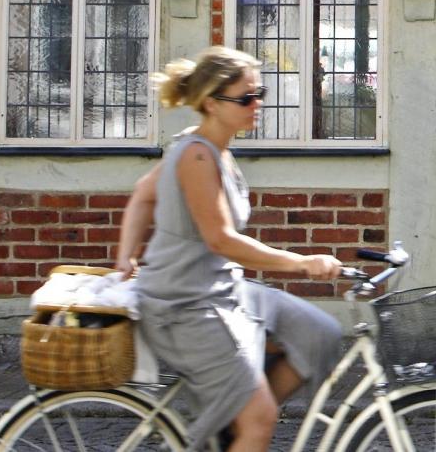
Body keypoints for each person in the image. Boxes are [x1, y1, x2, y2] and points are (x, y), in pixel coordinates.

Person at [113, 47, 344, 452]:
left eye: (260, 94)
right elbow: (220, 239)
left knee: (318, 334)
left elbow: (142, 193)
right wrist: (302, 263)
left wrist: (126, 256)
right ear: (211, 103)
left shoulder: (216, 150)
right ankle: (245, 422)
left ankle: (229, 427)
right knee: (260, 418)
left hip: (222, 289)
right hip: (186, 303)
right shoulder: (195, 154)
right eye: (245, 98)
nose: (257, 105)